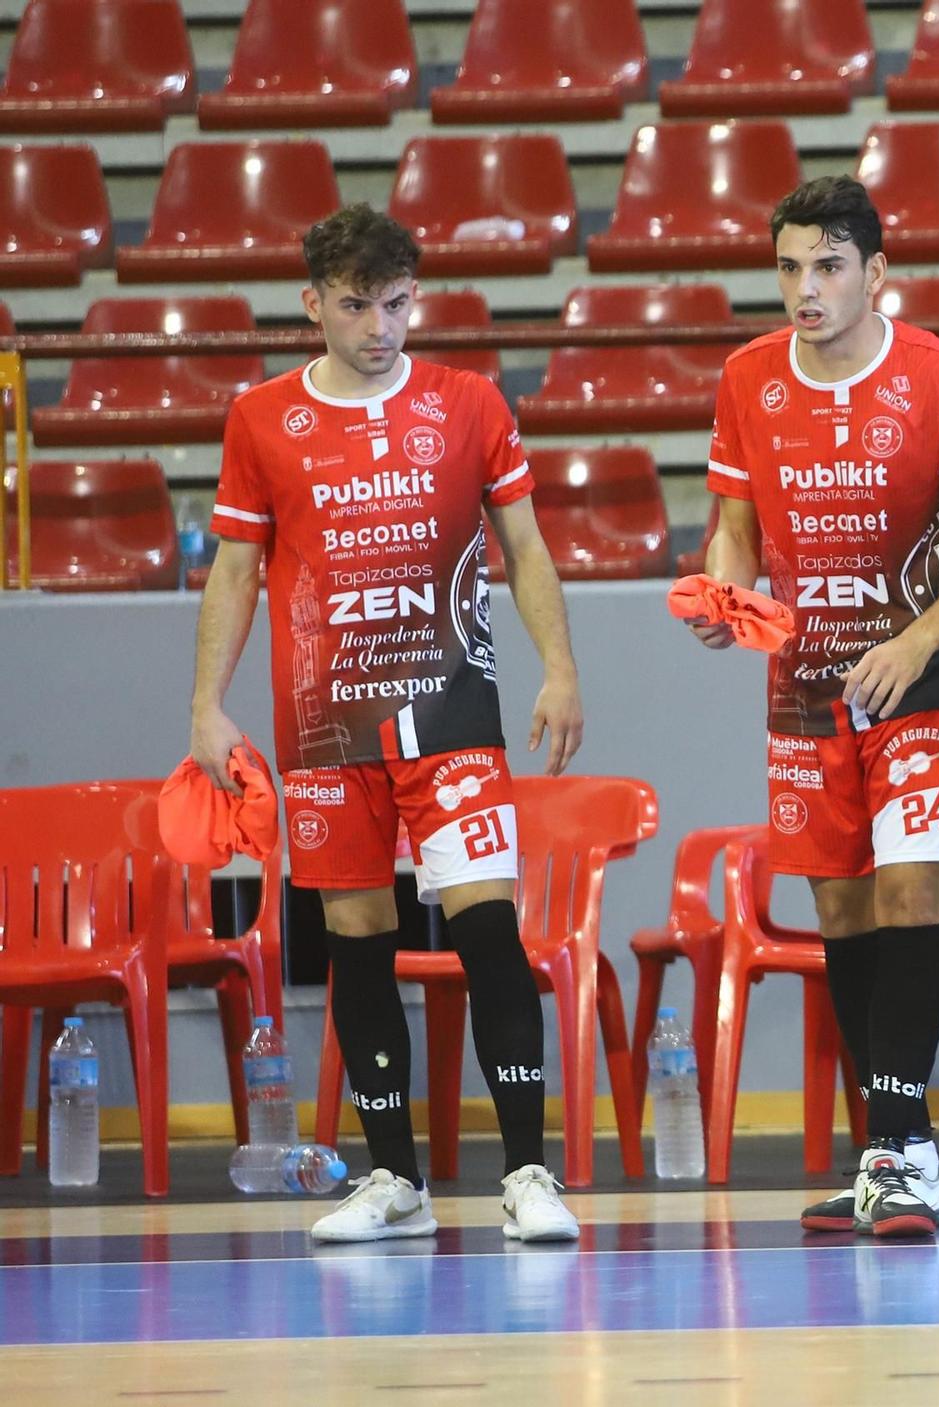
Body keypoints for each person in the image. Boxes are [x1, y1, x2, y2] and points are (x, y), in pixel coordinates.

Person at [190, 204, 586, 1244]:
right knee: (356, 943)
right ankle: (392, 1183)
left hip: (452, 712)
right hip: (325, 727)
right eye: (357, 304)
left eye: (397, 302)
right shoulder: (261, 418)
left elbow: (526, 547)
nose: (380, 325)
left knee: (486, 928)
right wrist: (204, 703)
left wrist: (559, 668)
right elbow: (235, 567)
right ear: (313, 301)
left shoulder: (467, 404)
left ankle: (530, 1175)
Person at [688, 176, 939, 1237]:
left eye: (827, 266)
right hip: (804, 682)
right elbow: (732, 525)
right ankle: (889, 1152)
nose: (804, 288)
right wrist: (727, 591)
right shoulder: (746, 379)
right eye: (788, 267)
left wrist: (914, 643)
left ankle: (908, 1149)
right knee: (837, 906)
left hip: (926, 675)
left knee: (910, 893)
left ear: (877, 275)